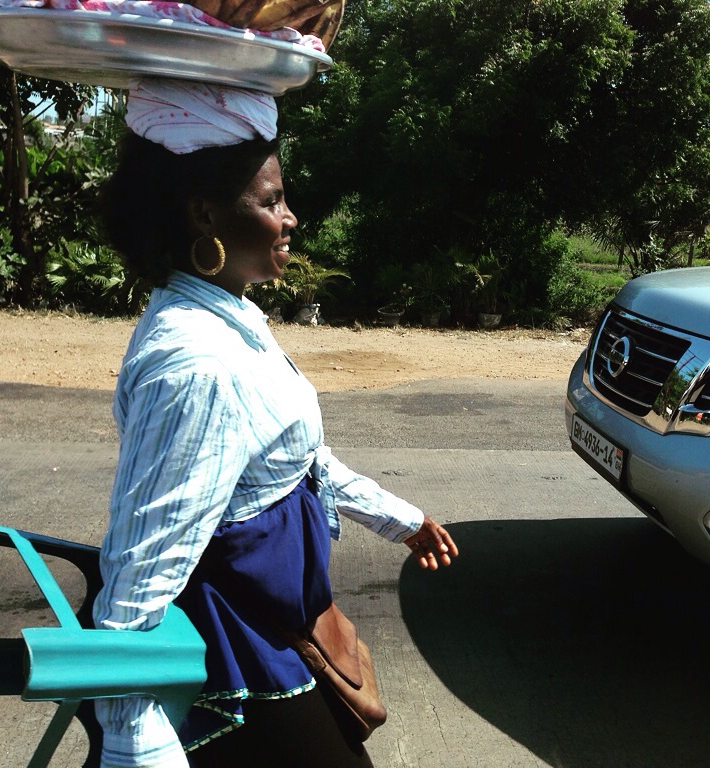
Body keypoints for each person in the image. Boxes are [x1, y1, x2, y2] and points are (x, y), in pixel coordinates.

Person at [93, 78, 458, 768]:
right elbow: (144, 559)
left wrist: (398, 519)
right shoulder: (198, 365)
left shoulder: (233, 317)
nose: (290, 218)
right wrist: (129, 732)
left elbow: (296, 461)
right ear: (205, 214)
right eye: (270, 201)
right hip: (236, 645)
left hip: (277, 622)